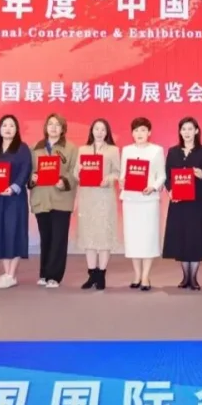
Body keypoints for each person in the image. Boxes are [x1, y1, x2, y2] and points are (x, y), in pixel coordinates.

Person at [0, 114, 33, 289]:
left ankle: (11, 274)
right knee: (0, 233)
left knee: (14, 232)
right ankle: (6, 273)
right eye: (4, 125)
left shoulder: (22, 148)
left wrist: (13, 187)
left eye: (12, 126)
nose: (8, 129)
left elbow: (26, 169)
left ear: (16, 129)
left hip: (14, 199)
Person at [162, 117, 202, 290]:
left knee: (195, 238)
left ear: (196, 131)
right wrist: (170, 191)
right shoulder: (173, 152)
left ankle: (194, 278)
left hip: (197, 202)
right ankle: (185, 277)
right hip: (179, 202)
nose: (187, 132)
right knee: (182, 238)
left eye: (190, 129)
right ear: (180, 131)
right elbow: (167, 177)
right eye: (183, 129)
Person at [30, 113, 78, 288]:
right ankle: (44, 273)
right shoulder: (35, 147)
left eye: (57, 124)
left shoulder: (71, 148)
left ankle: (54, 276)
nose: (53, 127)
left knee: (59, 238)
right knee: (46, 238)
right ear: (45, 127)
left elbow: (75, 172)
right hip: (41, 197)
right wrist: (32, 177)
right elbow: (29, 170)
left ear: (63, 128)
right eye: (50, 124)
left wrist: (64, 181)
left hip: (61, 199)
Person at [120, 117, 166, 291]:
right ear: (132, 133)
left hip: (148, 200)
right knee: (133, 238)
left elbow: (162, 175)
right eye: (136, 130)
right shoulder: (126, 150)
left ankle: (146, 275)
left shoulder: (157, 150)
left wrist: (153, 186)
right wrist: (122, 181)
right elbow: (123, 174)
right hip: (131, 200)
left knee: (148, 238)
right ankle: (137, 274)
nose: (140, 133)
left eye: (143, 130)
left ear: (149, 132)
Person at [77, 118, 121, 291]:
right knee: (89, 236)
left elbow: (117, 172)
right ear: (92, 131)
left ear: (107, 132)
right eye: (97, 129)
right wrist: (80, 170)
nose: (100, 132)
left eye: (103, 129)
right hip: (87, 197)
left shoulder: (113, 150)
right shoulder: (83, 150)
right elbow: (75, 174)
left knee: (104, 236)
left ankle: (101, 274)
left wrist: (108, 179)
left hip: (104, 197)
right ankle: (91, 274)